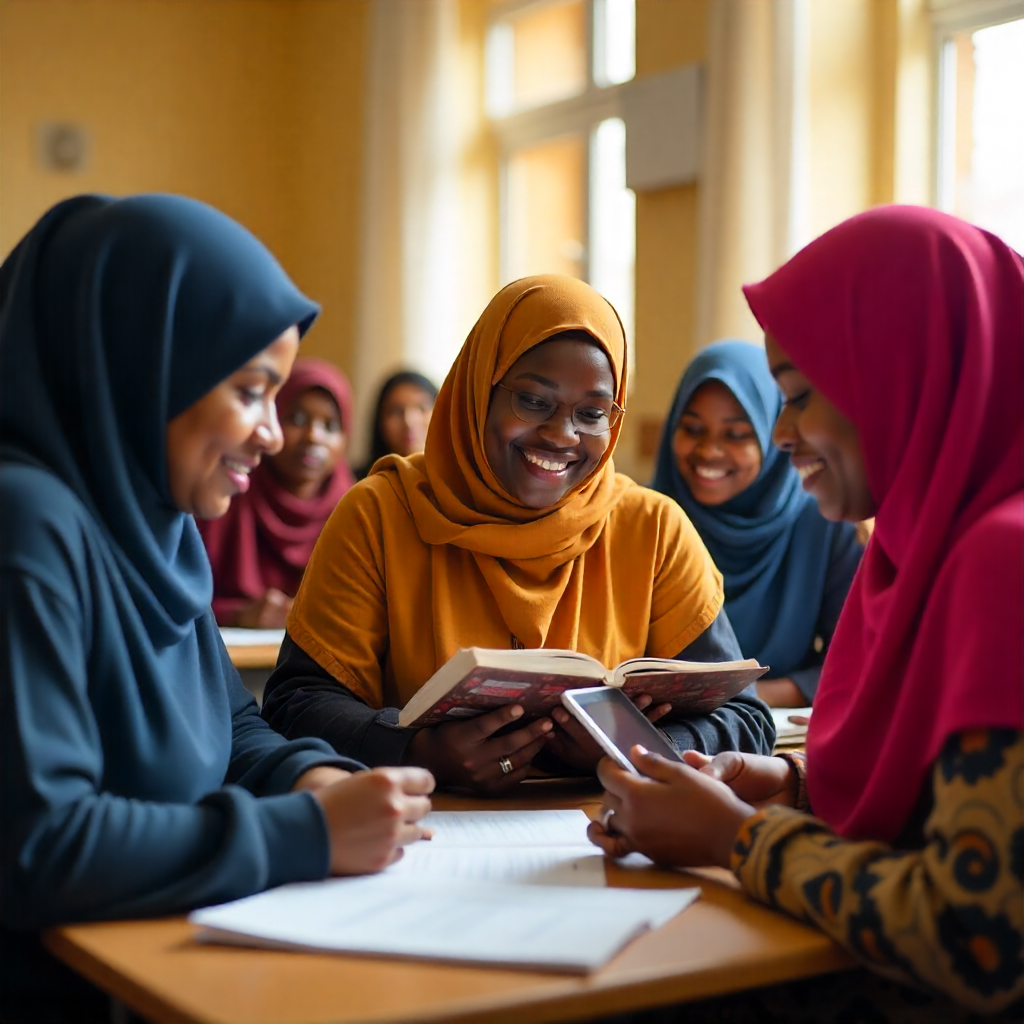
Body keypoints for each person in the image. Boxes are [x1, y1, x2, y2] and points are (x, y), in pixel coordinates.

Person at [0, 195, 433, 1023]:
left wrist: (310, 776)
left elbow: (229, 728)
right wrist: (303, 834)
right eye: (250, 390)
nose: (273, 435)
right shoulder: (27, 523)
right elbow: (40, 844)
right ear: (140, 367)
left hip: (164, 965)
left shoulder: (157, 523)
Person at [588, 207, 1023, 1018]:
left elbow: (980, 933)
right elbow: (946, 799)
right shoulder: (913, 545)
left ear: (900, 376)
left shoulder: (1004, 558)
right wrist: (789, 786)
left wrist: (734, 839)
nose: (780, 436)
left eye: (796, 397)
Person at [262, 275, 774, 794]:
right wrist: (413, 751)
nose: (561, 435)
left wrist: (635, 748)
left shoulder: (653, 529)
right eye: (533, 400)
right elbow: (295, 704)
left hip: (605, 843)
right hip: (420, 839)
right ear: (479, 389)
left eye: (592, 413)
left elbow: (747, 721)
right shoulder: (379, 515)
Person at [651, 340, 862, 707]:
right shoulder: (648, 520)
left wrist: (742, 699)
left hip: (779, 740)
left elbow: (854, 660)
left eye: (735, 435)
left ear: (771, 433)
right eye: (692, 428)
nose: (708, 452)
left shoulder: (825, 522)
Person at [198, 357, 355, 628]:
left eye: (329, 426)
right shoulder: (229, 493)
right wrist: (239, 615)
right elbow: (179, 598)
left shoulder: (355, 509)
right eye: (297, 419)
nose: (313, 437)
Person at [355, 369, 437, 479]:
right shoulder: (358, 485)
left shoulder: (456, 483)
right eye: (396, 411)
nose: (409, 421)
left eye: (421, 408)